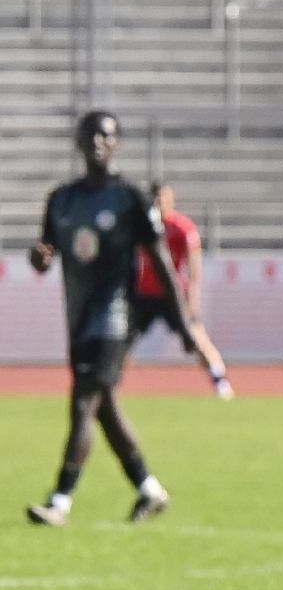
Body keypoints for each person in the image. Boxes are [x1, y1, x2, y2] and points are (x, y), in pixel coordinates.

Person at [25, 111, 210, 528]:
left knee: (83, 402)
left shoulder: (129, 198)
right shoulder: (62, 199)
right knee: (103, 406)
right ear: (77, 142)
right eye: (89, 134)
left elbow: (162, 263)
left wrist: (183, 324)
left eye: (105, 135)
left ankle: (60, 500)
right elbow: (45, 252)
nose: (96, 141)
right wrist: (38, 258)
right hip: (78, 317)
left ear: (117, 144)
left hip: (114, 317)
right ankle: (149, 489)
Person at [129, 181, 234, 400]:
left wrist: (192, 301)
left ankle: (219, 381)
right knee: (121, 342)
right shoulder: (141, 227)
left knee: (197, 338)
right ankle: (107, 386)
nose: (159, 203)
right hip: (145, 294)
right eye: (155, 199)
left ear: (171, 199)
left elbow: (194, 270)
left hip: (172, 295)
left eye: (163, 198)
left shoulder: (182, 227)